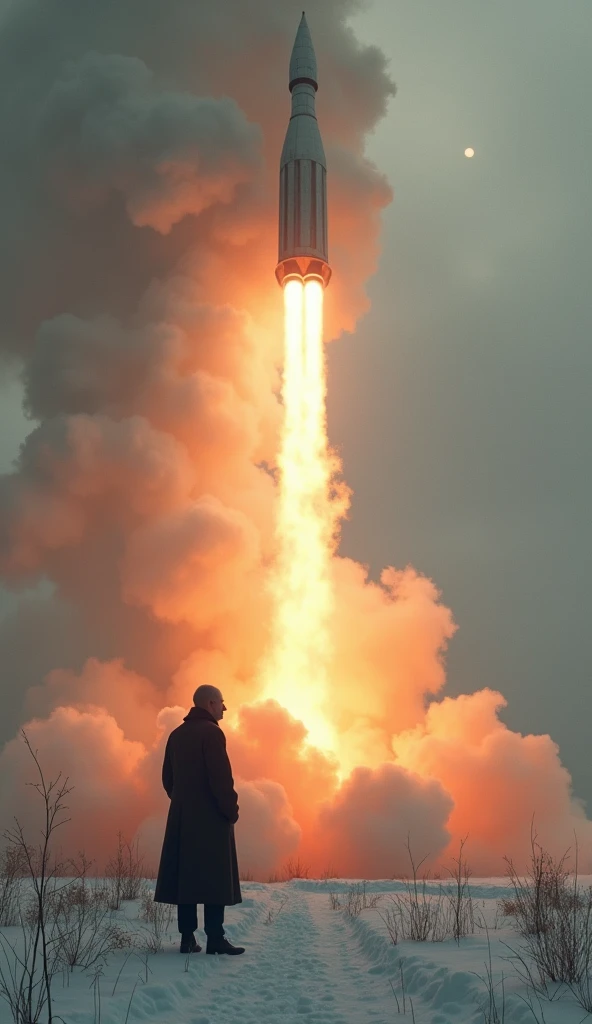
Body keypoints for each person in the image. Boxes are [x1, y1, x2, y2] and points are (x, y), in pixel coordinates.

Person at [154, 684, 245, 955]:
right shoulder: (213, 734)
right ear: (209, 704)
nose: (224, 708)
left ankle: (187, 939)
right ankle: (215, 939)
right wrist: (230, 810)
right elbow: (221, 779)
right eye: (221, 702)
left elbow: (167, 779)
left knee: (187, 879)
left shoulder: (176, 735)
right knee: (214, 878)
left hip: (183, 818)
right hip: (212, 819)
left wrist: (183, 802)